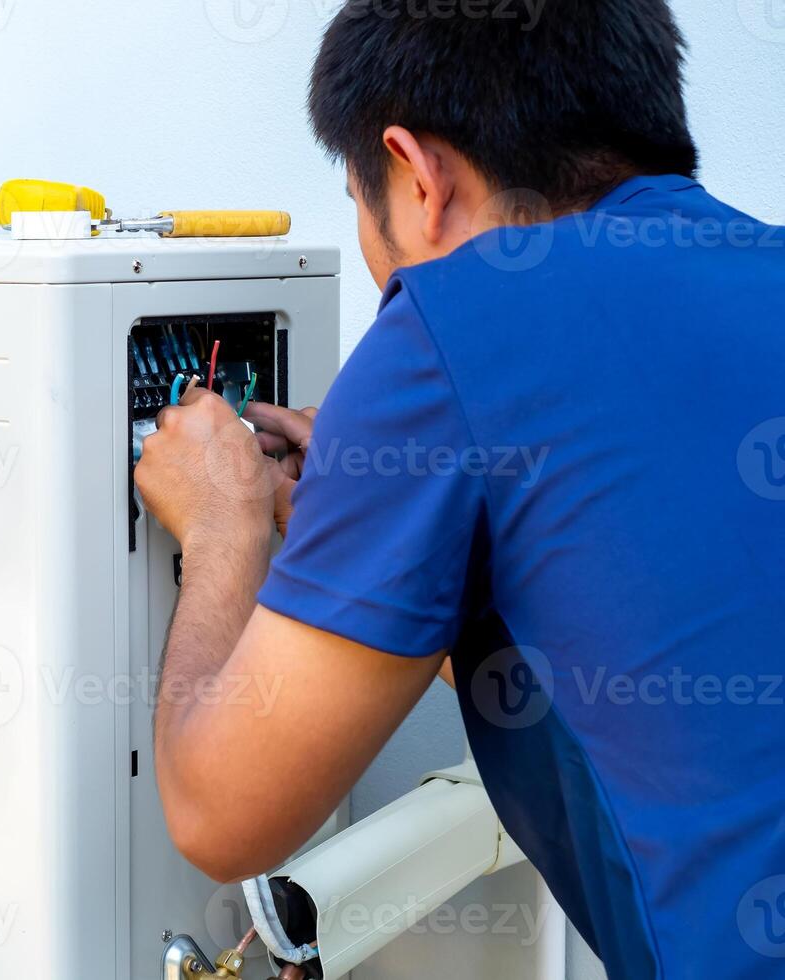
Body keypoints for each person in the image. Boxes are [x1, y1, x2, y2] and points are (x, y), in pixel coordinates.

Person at [133, 1, 785, 976]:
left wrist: (224, 528)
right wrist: (379, 554)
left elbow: (220, 816)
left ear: (415, 172)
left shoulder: (456, 319)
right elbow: (630, 682)